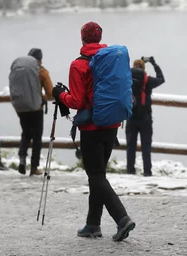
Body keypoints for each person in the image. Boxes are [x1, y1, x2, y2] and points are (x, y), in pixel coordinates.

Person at [52, 21, 135, 241]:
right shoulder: (110, 60)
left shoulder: (78, 65)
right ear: (99, 38)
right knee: (98, 175)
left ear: (83, 38)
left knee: (96, 175)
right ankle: (93, 224)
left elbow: (76, 101)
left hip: (90, 128)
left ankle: (122, 219)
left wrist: (60, 95)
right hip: (111, 125)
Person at [16, 48, 53, 177]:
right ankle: (33, 167)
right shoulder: (41, 72)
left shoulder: (21, 71)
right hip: (37, 109)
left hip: (22, 108)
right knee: (37, 138)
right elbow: (50, 92)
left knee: (25, 134)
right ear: (40, 59)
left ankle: (22, 158)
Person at [126, 57, 165, 176]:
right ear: (143, 68)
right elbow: (161, 79)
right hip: (145, 118)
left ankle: (130, 171)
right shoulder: (147, 80)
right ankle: (147, 172)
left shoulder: (127, 78)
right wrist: (154, 63)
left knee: (130, 147)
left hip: (131, 117)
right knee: (146, 147)